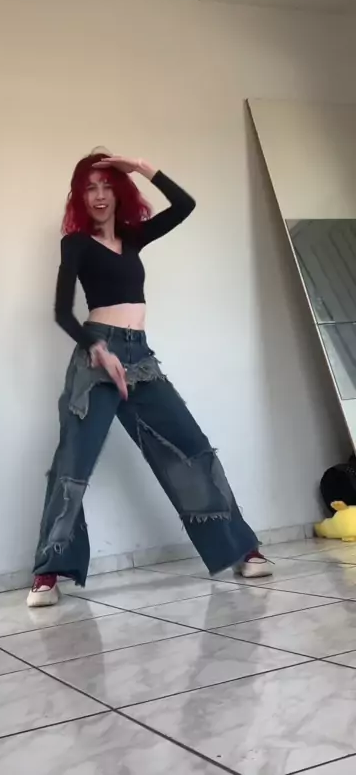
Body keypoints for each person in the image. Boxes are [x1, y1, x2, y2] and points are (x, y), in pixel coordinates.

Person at [27, 152, 272, 607]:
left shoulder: (133, 238)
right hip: (96, 358)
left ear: (118, 191)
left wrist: (140, 166)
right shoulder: (76, 243)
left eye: (106, 185)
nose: (99, 196)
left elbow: (185, 205)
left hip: (140, 357)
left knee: (190, 447)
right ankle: (48, 571)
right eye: (90, 188)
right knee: (73, 463)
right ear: (80, 196)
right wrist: (97, 349)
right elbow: (62, 311)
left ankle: (240, 547)